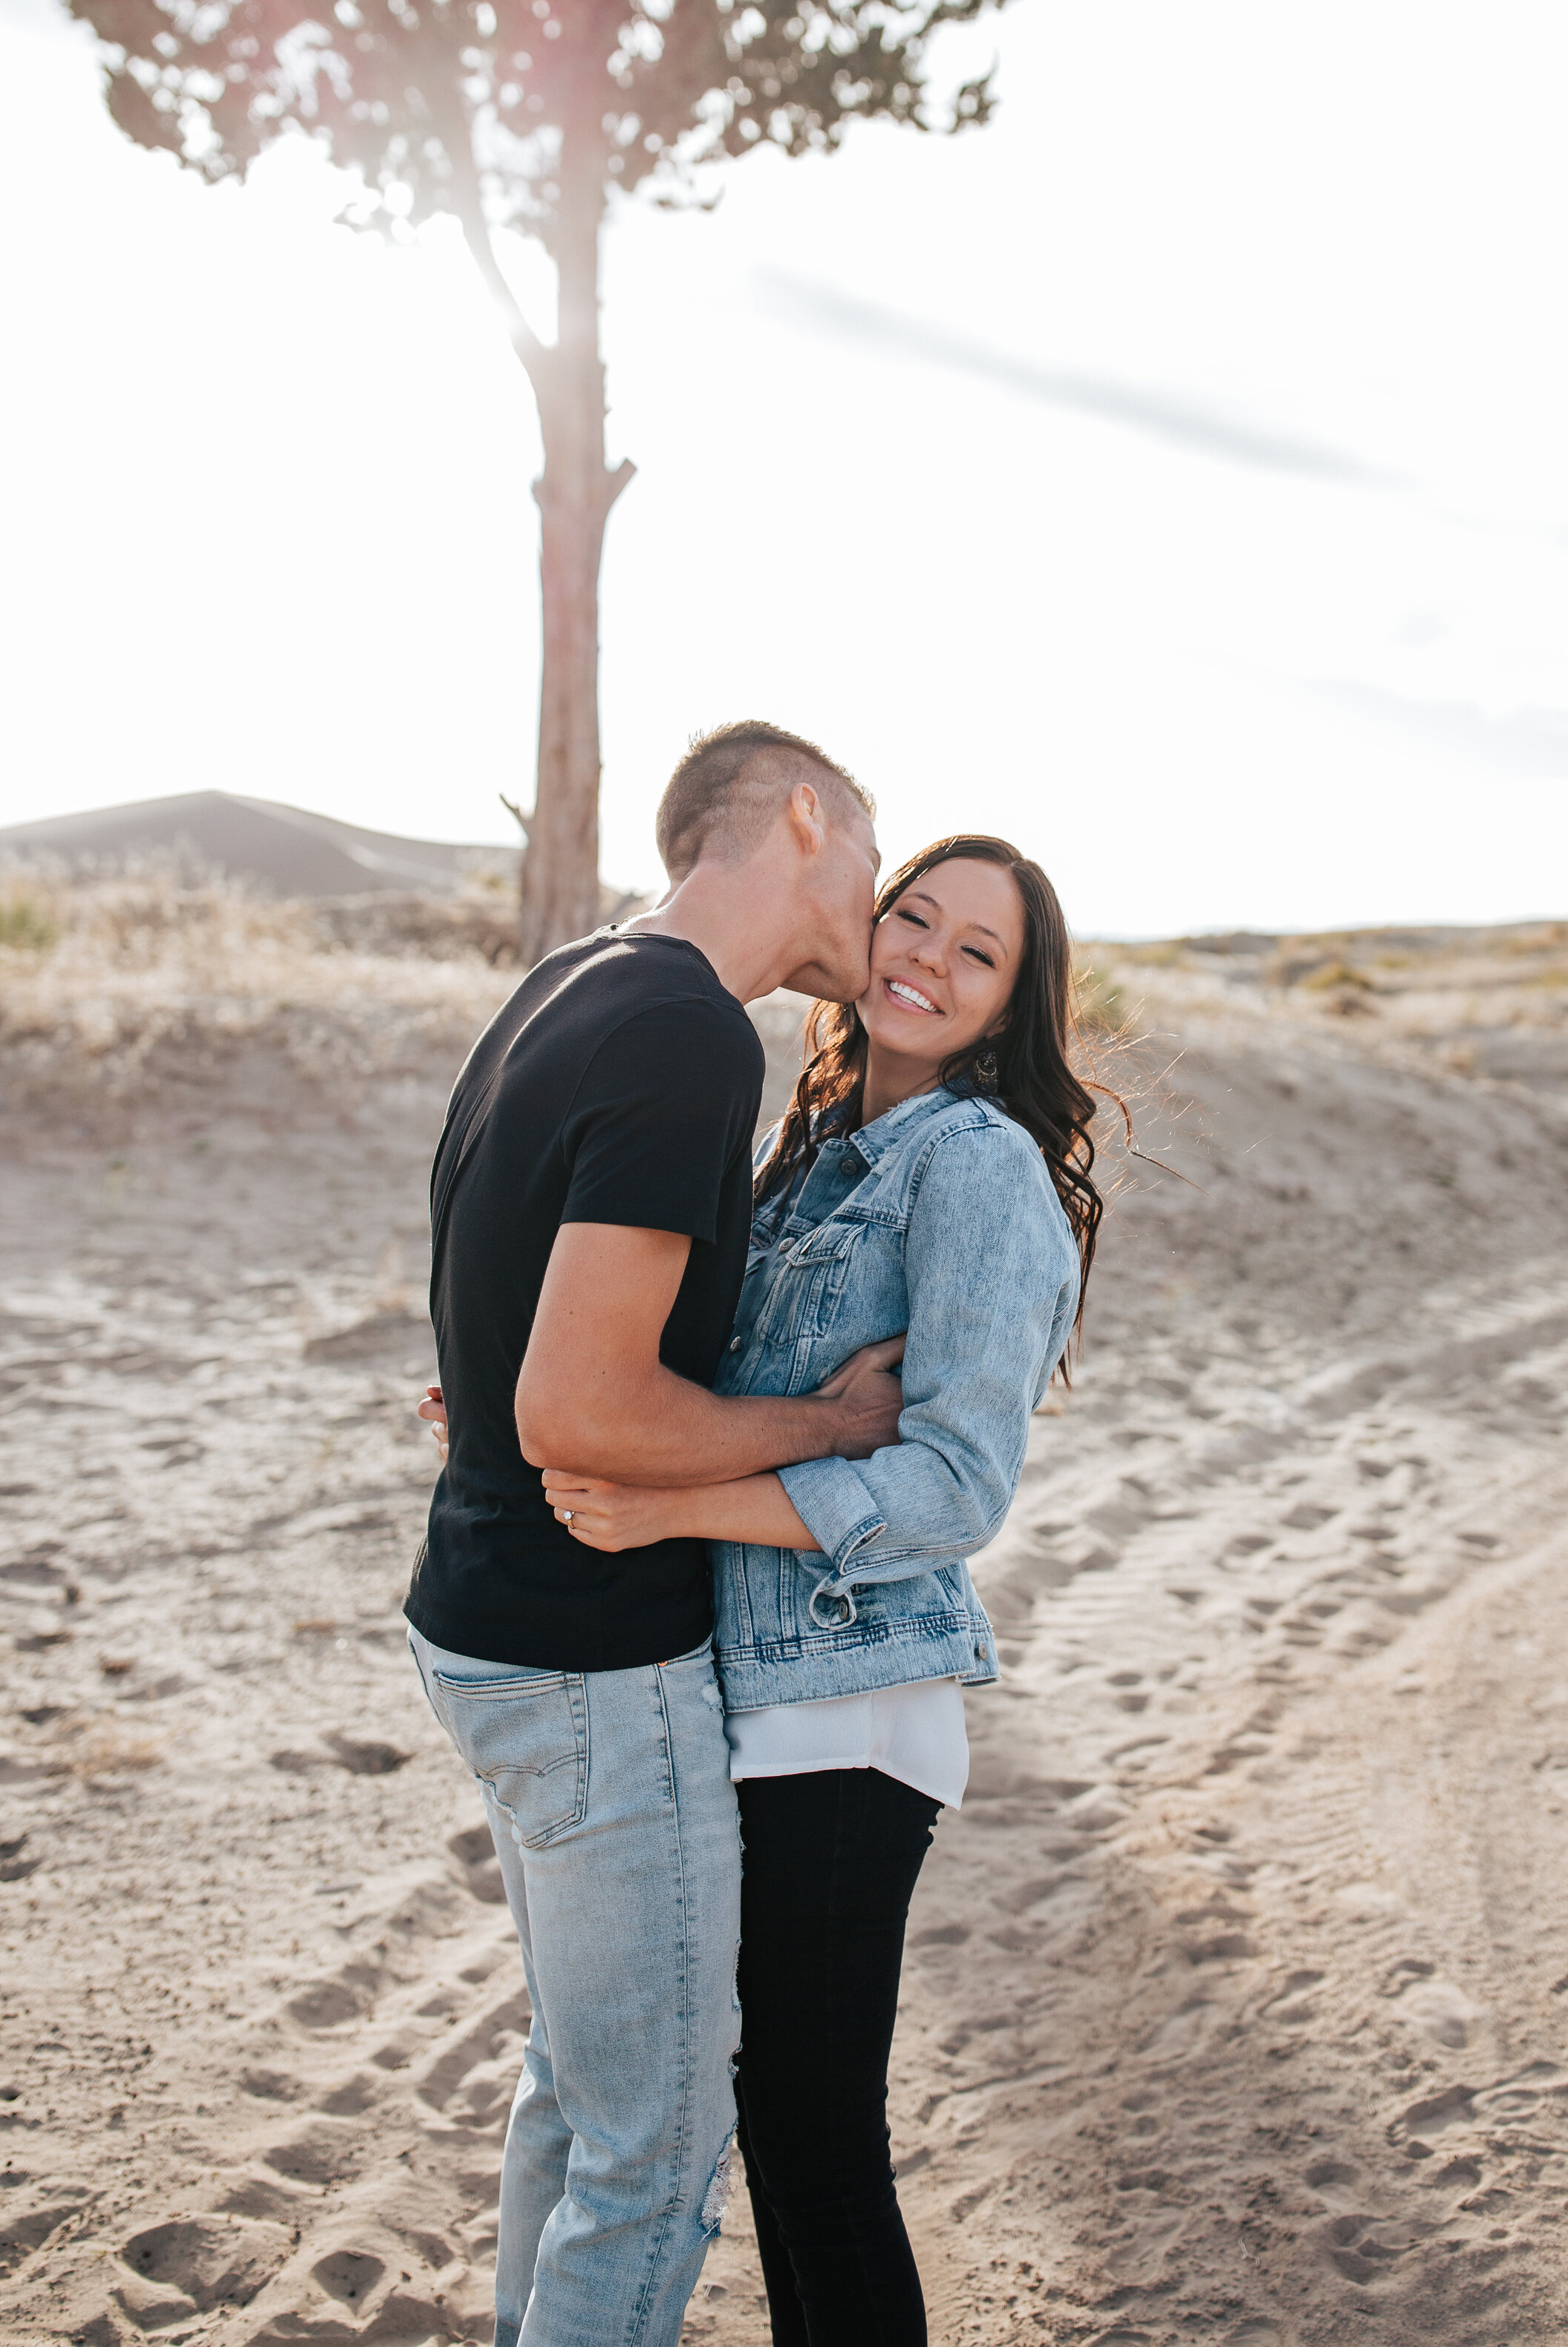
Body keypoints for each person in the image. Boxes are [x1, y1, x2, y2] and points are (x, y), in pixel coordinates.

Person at [478, 832, 1113, 2346]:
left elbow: (956, 1487)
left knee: (814, 2143)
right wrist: (530, 1393)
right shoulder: (816, 1147)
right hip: (751, 1694)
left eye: (979, 954)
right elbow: (688, 1376)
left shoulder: (975, 1167)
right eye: (915, 919)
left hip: (851, 1704)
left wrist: (674, 1502)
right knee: (776, 2127)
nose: (929, 961)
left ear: (1011, 1006)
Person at [403, 720, 911, 2347]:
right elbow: (580, 1403)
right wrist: (829, 1427)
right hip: (587, 1659)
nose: (884, 910)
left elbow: (495, 1297)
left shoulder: (572, 979)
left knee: (575, 2096)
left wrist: (500, 1407)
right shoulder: (692, 1033)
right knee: (658, 2155)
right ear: (807, 816)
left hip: (482, 1621)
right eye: (876, 860)